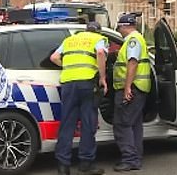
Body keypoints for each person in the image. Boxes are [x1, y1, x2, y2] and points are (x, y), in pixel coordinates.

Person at [50, 22, 108, 175]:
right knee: (88, 124)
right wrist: (102, 78)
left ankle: (63, 166)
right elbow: (101, 53)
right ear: (98, 31)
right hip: (87, 83)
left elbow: (54, 57)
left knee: (67, 125)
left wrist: (69, 67)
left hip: (68, 84)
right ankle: (86, 164)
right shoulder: (98, 39)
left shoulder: (70, 40)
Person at [112, 14, 151, 172]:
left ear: (123, 26)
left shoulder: (132, 40)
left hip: (132, 88)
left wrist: (127, 87)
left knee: (122, 123)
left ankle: (129, 159)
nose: (119, 31)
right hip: (139, 87)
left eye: (119, 28)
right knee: (134, 124)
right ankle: (136, 157)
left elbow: (132, 62)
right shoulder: (137, 39)